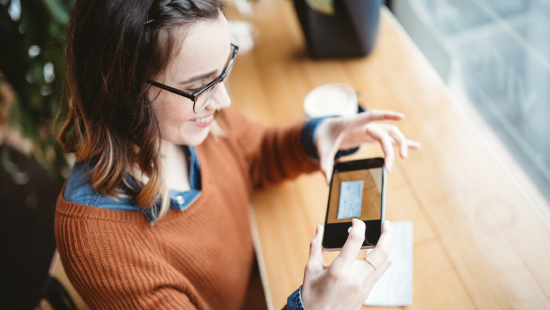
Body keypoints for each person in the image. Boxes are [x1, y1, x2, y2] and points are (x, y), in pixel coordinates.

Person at [55, 0, 421, 309]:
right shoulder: (99, 245)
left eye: (224, 70)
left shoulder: (191, 118)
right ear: (122, 91)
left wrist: (319, 135)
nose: (224, 101)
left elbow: (256, 153)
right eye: (200, 85)